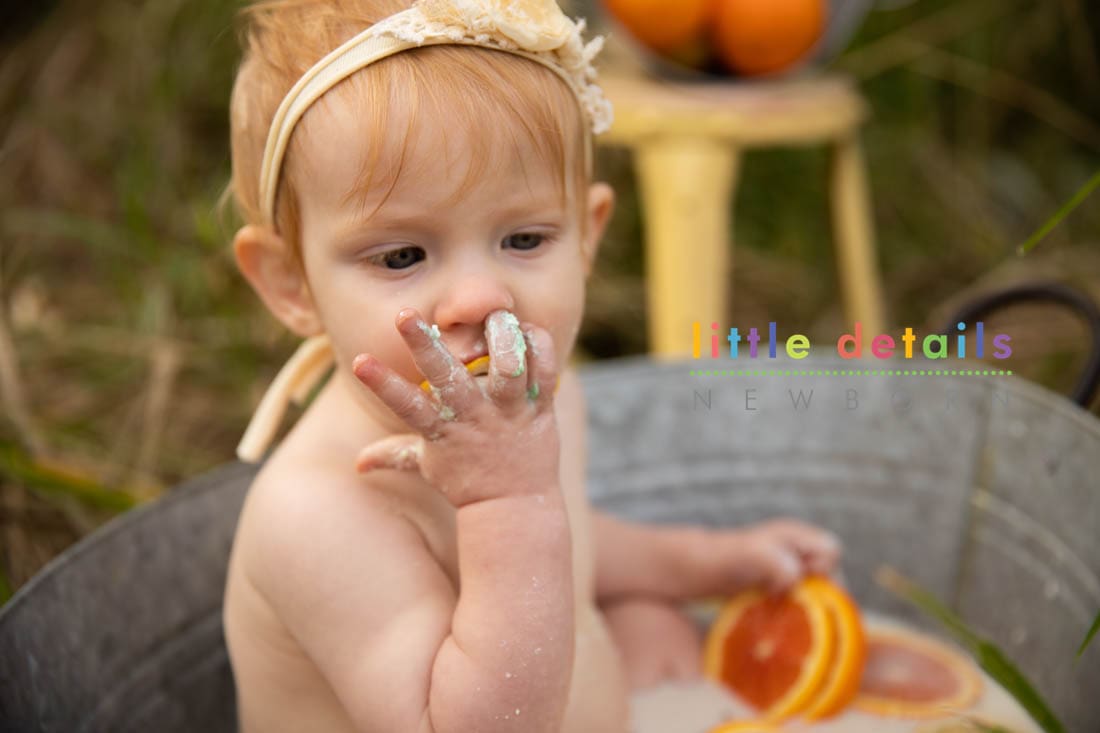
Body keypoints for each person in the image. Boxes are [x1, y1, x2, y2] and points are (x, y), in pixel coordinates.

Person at [222, 1, 841, 731]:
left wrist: (699, 562)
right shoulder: (320, 514)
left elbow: (566, 547)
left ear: (586, 237)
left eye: (523, 239)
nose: (481, 297)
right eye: (402, 255)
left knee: (653, 621)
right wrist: (508, 499)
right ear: (291, 284)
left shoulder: (535, 400)